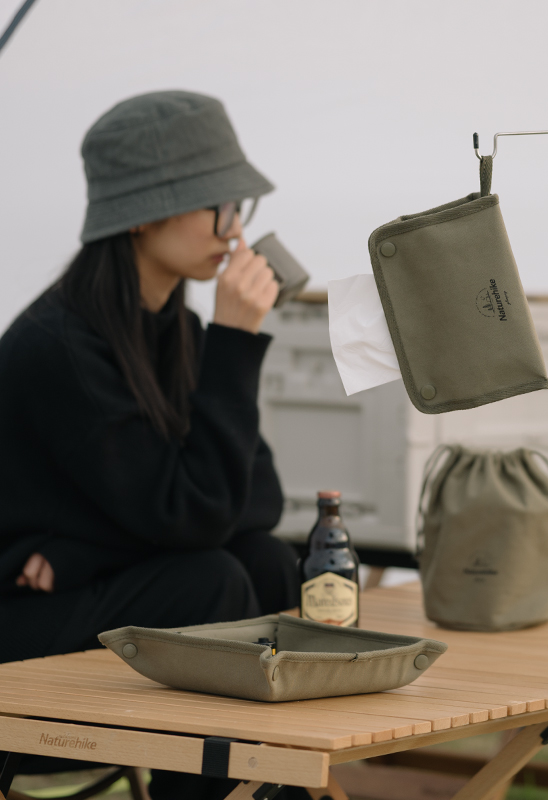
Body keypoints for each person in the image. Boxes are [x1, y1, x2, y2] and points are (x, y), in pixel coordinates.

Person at [0, 91, 309, 800]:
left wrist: (85, 550)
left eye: (240, 208)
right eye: (218, 206)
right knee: (209, 579)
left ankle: (272, 785)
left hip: (79, 582)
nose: (235, 231)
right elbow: (193, 515)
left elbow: (254, 499)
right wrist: (236, 342)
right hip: (16, 630)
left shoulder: (175, 332)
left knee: (262, 559)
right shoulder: (61, 349)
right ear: (143, 213)